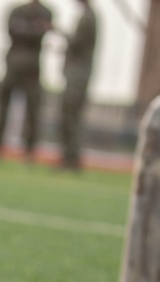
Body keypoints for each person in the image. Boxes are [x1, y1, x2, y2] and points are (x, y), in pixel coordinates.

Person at [0, 0, 53, 163]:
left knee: (33, 110)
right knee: (2, 107)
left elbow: (43, 32)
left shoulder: (46, 12)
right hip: (14, 64)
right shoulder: (16, 10)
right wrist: (33, 29)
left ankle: (29, 151)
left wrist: (27, 29)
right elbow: (12, 31)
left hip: (32, 69)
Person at [57, 0, 97, 171]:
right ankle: (69, 158)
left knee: (71, 116)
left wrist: (59, 33)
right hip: (78, 74)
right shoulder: (88, 16)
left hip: (78, 75)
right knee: (71, 116)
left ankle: (71, 159)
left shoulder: (87, 18)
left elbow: (76, 43)